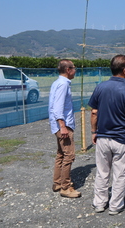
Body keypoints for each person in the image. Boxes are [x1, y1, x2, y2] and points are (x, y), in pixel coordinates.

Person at [88, 54, 125, 215]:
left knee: (102, 172)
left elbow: (94, 112)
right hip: (122, 139)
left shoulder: (100, 87)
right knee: (120, 174)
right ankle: (115, 205)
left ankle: (99, 203)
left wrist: (94, 131)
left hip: (103, 137)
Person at [48, 59, 81, 198]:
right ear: (68, 70)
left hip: (58, 125)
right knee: (69, 155)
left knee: (61, 154)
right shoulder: (63, 84)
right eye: (74, 68)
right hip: (64, 125)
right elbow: (57, 108)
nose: (75, 70)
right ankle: (65, 187)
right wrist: (63, 127)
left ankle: (57, 183)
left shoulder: (58, 83)